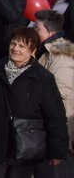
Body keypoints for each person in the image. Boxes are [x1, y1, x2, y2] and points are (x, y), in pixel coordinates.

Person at [0, 27, 69, 177]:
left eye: (22, 46)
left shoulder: (42, 78)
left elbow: (56, 116)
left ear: (32, 50)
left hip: (24, 144)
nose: (15, 49)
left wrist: (57, 150)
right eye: (13, 44)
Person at [33, 10, 74, 150]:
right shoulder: (46, 49)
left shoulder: (61, 54)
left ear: (50, 33)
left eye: (37, 28)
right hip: (42, 123)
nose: (33, 31)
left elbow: (60, 94)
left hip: (49, 127)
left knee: (42, 168)